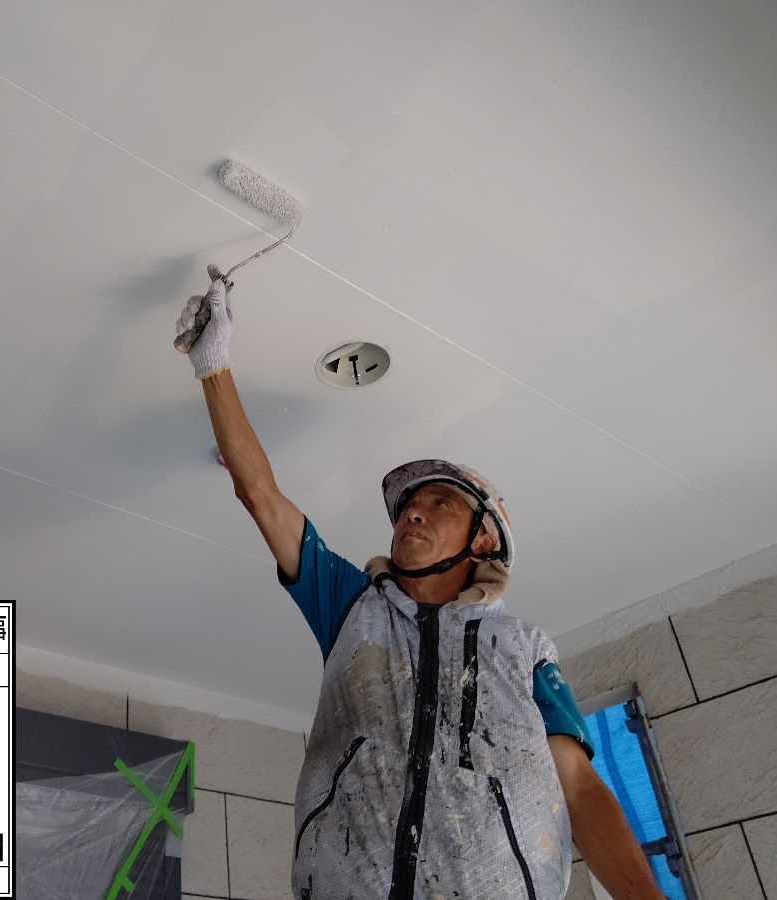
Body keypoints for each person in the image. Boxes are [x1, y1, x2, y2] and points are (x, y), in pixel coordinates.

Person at [178, 273, 666, 899]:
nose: (412, 513)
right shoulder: (353, 610)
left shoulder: (525, 650)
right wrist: (213, 365)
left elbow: (576, 783)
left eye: (440, 504)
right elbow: (262, 496)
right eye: (408, 505)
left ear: (482, 540)